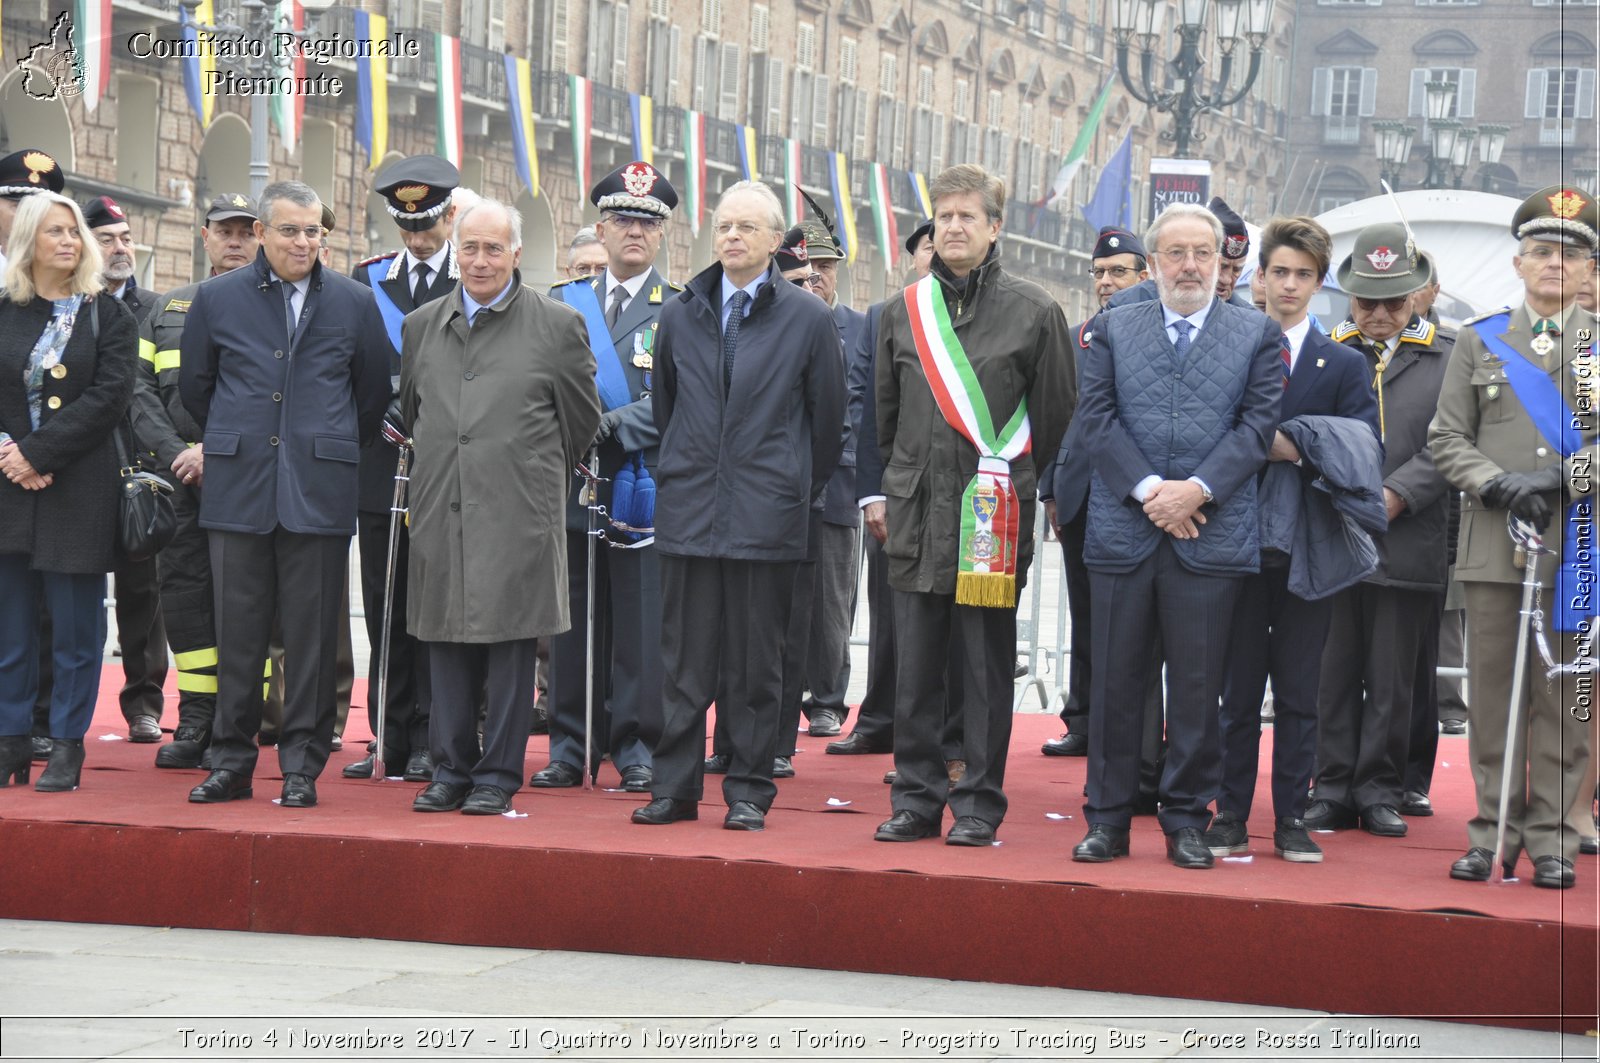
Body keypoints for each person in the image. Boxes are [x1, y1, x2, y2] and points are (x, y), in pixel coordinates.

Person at [1071, 201, 1283, 869]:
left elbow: (1256, 428)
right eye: (1176, 252)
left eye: (1203, 253)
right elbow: (1096, 419)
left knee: (1197, 688)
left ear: (1222, 262)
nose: (1189, 265)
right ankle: (1105, 819)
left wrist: (1195, 491)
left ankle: (1187, 818)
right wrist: (1150, 492)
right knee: (1114, 684)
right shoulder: (1112, 326)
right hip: (1122, 532)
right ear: (1155, 261)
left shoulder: (1257, 334)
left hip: (1209, 536)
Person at [873, 163, 1075, 846]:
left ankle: (980, 801)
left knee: (985, 668)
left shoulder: (1037, 312)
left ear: (995, 227)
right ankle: (916, 796)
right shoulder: (902, 312)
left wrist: (1032, 494)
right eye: (943, 215)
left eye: (967, 216)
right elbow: (885, 417)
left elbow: (1055, 422)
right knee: (915, 667)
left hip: (992, 517)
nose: (952, 226)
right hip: (917, 513)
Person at [632, 180, 843, 832]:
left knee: (757, 664)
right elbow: (666, 410)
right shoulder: (682, 311)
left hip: (766, 516)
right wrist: (686, 471)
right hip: (691, 512)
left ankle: (749, 787)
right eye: (723, 225)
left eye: (747, 227)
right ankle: (674, 786)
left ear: (774, 241)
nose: (731, 237)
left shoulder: (807, 319)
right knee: (682, 662)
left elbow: (827, 423)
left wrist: (789, 486)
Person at [179, 181, 390, 809]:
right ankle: (231, 761)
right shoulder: (217, 299)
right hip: (239, 489)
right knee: (238, 633)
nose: (304, 242)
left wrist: (314, 446)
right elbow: (197, 387)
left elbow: (370, 395)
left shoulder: (355, 302)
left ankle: (302, 764)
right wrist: (244, 439)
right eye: (291, 230)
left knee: (312, 637)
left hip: (320, 492)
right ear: (263, 234)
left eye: (314, 231)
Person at [401, 198, 599, 815]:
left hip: (518, 512)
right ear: (455, 251)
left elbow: (580, 423)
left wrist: (523, 471)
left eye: (494, 249)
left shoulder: (556, 325)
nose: (480, 260)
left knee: (511, 647)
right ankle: (449, 768)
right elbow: (415, 412)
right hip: (442, 509)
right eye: (470, 248)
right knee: (445, 639)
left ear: (517, 254)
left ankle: (497, 775)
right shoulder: (421, 326)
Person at [1429, 184, 1599, 890]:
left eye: (1569, 255)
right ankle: (1490, 832)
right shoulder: (1481, 338)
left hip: (1579, 549)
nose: (1553, 264)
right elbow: (1446, 436)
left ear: (1590, 271)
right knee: (1495, 699)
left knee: (1567, 703)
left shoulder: (1596, 347)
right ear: (1518, 262)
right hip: (1498, 545)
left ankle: (1555, 836)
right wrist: (1497, 484)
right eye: (1540, 252)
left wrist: (1562, 479)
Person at [1205, 216, 1380, 864]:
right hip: (1235, 540)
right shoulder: (1231, 347)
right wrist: (1261, 447)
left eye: (1303, 274)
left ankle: (1292, 819)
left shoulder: (1344, 362)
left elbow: (1364, 447)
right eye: (1279, 271)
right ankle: (1228, 815)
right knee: (1238, 691)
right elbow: (1208, 433)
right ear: (1260, 275)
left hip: (1310, 541)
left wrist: (1296, 445)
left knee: (1301, 692)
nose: (1289, 284)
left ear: (1319, 281)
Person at [534, 161, 678, 794]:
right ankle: (570, 743)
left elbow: (683, 400)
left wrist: (613, 426)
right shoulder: (558, 305)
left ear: (663, 233)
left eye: (647, 221)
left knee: (640, 624)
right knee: (567, 623)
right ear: (601, 227)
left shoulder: (679, 310)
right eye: (623, 219)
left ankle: (636, 742)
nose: (634, 231)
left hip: (638, 489)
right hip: (569, 483)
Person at [1308, 225, 1454, 839]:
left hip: (1408, 536)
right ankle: (1332, 785)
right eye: (1366, 301)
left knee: (1394, 677)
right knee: (1332, 670)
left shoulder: (1451, 354)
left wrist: (1398, 494)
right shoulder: (1324, 349)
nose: (1379, 314)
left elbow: (1454, 442)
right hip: (1334, 532)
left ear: (1417, 295)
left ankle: (1381, 788)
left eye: (1393, 301)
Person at [0, 191, 136, 791]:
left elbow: (108, 399)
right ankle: (9, 739)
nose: (69, 241)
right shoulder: (2, 308)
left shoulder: (108, 315)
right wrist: (11, 454)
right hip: (8, 487)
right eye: (55, 231)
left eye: (74, 232)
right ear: (27, 240)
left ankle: (64, 745)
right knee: (11, 626)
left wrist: (36, 453)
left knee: (78, 631)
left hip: (79, 489)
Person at [130, 193, 259, 769]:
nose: (234, 241)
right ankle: (198, 715)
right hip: (175, 480)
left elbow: (268, 396)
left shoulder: (275, 306)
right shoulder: (166, 310)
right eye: (223, 231)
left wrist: (215, 450)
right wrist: (178, 452)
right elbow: (134, 390)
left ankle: (240, 720)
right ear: (204, 238)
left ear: (259, 238)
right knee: (183, 600)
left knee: (247, 601)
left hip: (247, 477)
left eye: (244, 231)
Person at [345, 155, 462, 783]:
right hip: (380, 463)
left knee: (435, 609)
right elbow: (347, 364)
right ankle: (387, 736)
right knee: (385, 604)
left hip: (448, 466)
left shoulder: (473, 279)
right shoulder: (366, 281)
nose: (418, 238)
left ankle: (430, 736)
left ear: (448, 216)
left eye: (428, 225)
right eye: (407, 227)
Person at [827, 220, 937, 764]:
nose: (938, 252)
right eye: (928, 245)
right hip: (898, 493)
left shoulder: (999, 312)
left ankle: (942, 736)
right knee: (889, 615)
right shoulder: (887, 315)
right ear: (914, 257)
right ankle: (879, 719)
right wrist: (871, 491)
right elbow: (866, 406)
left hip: (970, 493)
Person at [1040, 225, 1149, 761]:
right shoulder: (1075, 336)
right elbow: (1053, 415)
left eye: (1118, 272)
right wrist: (1050, 491)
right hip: (1081, 493)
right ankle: (1081, 720)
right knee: (1085, 617)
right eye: (1100, 273)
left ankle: (1134, 728)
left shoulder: (1155, 334)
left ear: (1144, 275)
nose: (1106, 282)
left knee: (1137, 627)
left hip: (1138, 500)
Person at [80, 193, 169, 746]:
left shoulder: (158, 309)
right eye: (108, 238)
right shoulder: (68, 303)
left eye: (126, 238)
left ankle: (144, 704)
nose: (121, 248)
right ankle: (56, 709)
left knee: (145, 594)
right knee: (67, 593)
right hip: (82, 471)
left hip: (141, 469)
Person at [790, 220, 863, 743]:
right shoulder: (778, 320)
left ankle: (828, 699)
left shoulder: (860, 328)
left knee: (832, 600)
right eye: (806, 267)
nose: (815, 276)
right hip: (781, 485)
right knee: (783, 600)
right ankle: (783, 695)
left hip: (838, 482)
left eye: (826, 267)